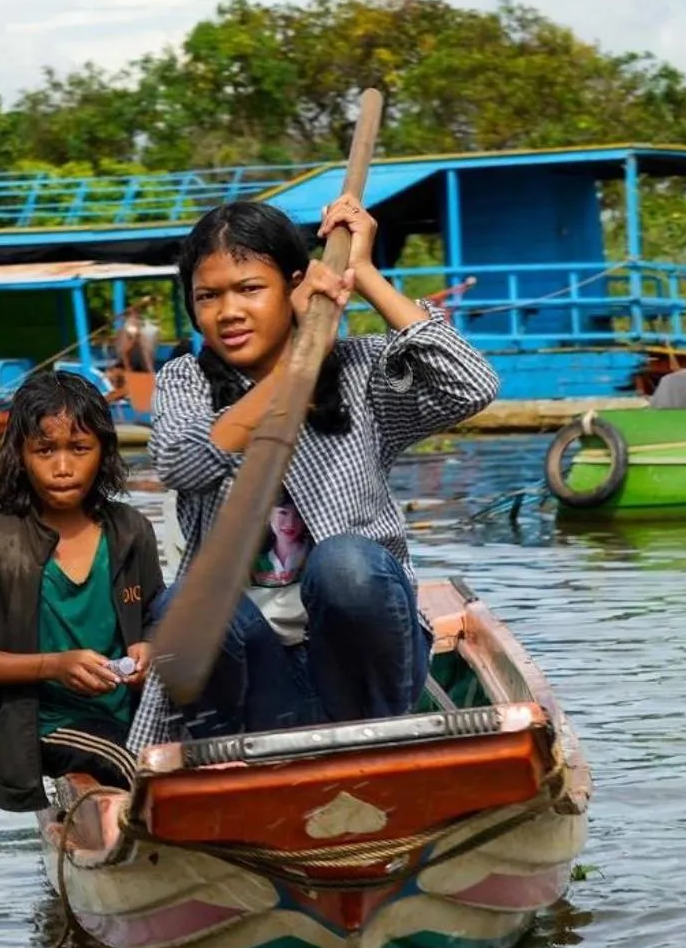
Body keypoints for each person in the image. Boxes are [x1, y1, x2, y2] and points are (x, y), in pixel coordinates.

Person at [130, 196, 499, 746]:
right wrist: (295, 368)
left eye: (250, 289)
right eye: (208, 296)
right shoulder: (187, 379)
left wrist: (364, 274)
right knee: (182, 603)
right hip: (257, 674)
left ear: (297, 287)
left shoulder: (358, 371)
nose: (228, 312)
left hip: (364, 676)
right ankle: (240, 759)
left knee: (346, 563)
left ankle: (380, 738)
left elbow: (471, 385)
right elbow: (182, 461)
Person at [0, 369, 165, 810]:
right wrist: (54, 666)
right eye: (45, 450)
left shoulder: (129, 529)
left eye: (80, 449)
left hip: (132, 714)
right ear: (20, 455)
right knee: (138, 765)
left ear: (103, 451)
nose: (63, 468)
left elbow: (157, 613)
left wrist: (148, 647)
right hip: (45, 726)